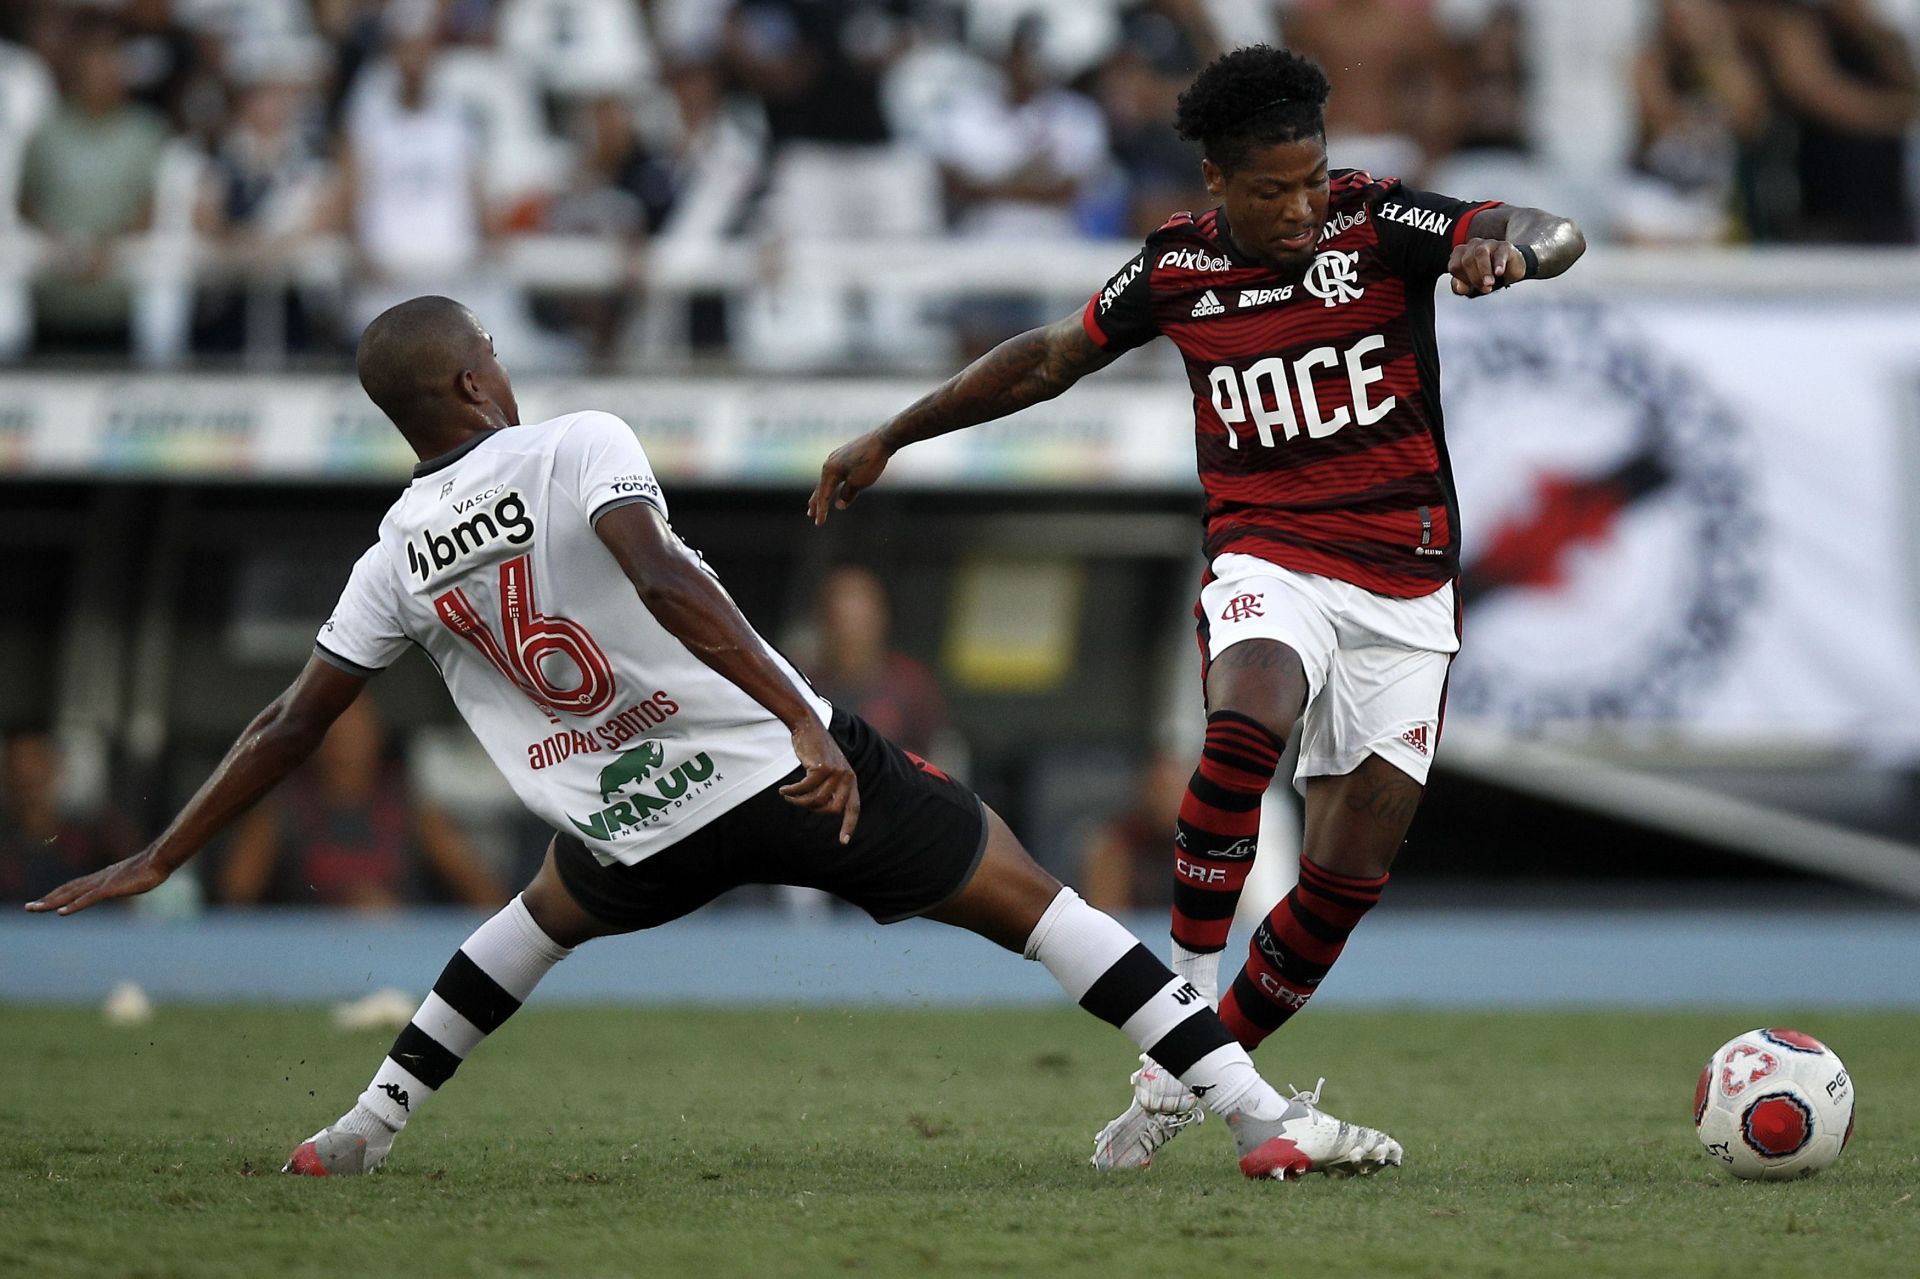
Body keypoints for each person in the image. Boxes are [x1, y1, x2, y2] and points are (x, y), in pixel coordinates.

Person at [27, 294, 1401, 1184]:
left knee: (529, 925)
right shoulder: (576, 440)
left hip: (630, 810)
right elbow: (670, 578)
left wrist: (162, 848)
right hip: (769, 759)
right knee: (1038, 904)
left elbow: (287, 718)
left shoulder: (396, 549)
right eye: (491, 351)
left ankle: (362, 1128)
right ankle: (1257, 1117)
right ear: (468, 376)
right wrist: (805, 715)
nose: (505, 363)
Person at [810, 45, 1585, 1171]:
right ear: (1216, 183)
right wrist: (893, 434)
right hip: (1269, 553)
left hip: (1406, 588)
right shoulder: (1174, 269)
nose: (1304, 205)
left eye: (1314, 177)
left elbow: (1544, 226)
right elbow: (1044, 361)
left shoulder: (1379, 223)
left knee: (1345, 875)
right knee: (1247, 711)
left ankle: (1186, 1069)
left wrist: (1502, 248)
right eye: (1275, 189)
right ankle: (1183, 998)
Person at [217, 696, 509, 910]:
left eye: (355, 731)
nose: (345, 745)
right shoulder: (282, 809)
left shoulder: (412, 807)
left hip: (397, 946)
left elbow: (484, 891)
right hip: (309, 952)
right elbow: (235, 900)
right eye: (335, 732)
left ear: (375, 737)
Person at [806, 565, 946, 760]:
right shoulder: (804, 685)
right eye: (841, 623)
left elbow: (934, 758)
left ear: (880, 620)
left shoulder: (910, 684)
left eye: (860, 623)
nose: (851, 636)